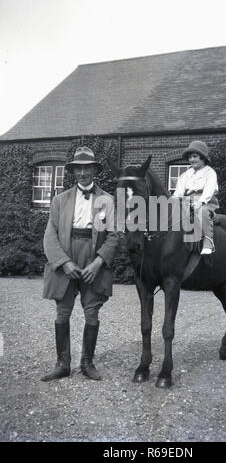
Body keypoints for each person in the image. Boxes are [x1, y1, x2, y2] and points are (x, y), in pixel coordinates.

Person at [41, 146, 119, 381]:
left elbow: (114, 235)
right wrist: (63, 263)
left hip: (93, 256)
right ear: (73, 171)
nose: (83, 172)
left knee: (92, 312)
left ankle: (87, 363)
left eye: (87, 168)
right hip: (67, 254)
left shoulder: (107, 200)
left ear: (95, 170)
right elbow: (50, 235)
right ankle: (63, 364)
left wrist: (98, 262)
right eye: (78, 168)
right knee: (62, 312)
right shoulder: (60, 200)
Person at [173, 140, 219, 255]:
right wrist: (170, 201)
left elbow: (209, 190)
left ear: (203, 158)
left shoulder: (210, 173)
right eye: (190, 157)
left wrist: (201, 201)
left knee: (202, 211)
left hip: (206, 200)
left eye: (195, 156)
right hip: (187, 201)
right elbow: (178, 193)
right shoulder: (185, 175)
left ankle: (208, 241)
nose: (192, 160)